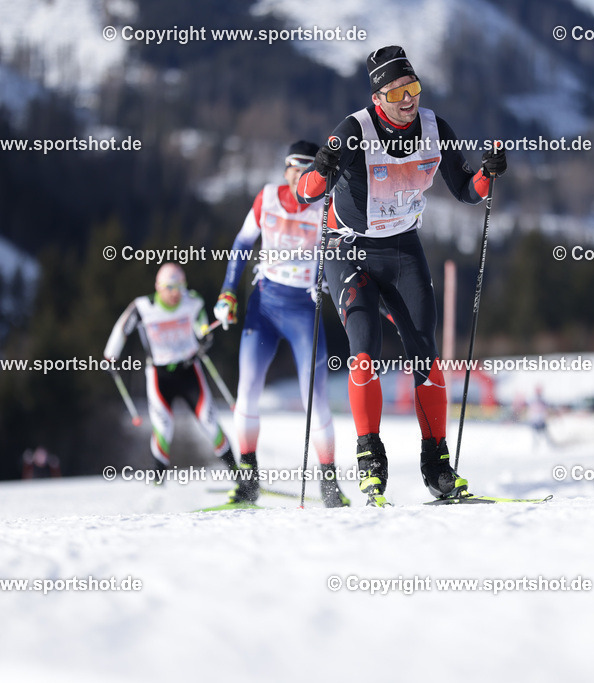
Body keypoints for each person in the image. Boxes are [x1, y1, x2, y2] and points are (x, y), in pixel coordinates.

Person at [296, 45, 506, 506]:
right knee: (365, 348)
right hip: (349, 249)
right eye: (396, 92)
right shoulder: (354, 129)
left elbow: (467, 191)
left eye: (413, 88)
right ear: (378, 98)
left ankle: (437, 466)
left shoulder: (435, 128)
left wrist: (488, 175)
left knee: (426, 356)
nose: (408, 99)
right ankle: (370, 458)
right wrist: (323, 169)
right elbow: (305, 193)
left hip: (402, 247)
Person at [213, 140, 349, 507]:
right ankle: (248, 480)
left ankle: (329, 485)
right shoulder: (267, 198)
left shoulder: (327, 206)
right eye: (293, 166)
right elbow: (242, 245)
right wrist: (228, 292)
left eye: (307, 167)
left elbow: (346, 254)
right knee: (247, 392)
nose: (298, 173)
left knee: (316, 401)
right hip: (265, 306)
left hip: (305, 310)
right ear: (285, 169)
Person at [105, 263, 237, 478]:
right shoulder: (143, 307)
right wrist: (110, 357)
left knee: (210, 423)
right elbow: (121, 329)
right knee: (163, 429)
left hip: (189, 371)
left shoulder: (192, 302)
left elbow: (202, 328)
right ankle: (158, 484)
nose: (176, 293)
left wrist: (205, 337)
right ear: (159, 287)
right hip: (159, 375)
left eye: (180, 287)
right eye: (170, 288)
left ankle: (240, 477)